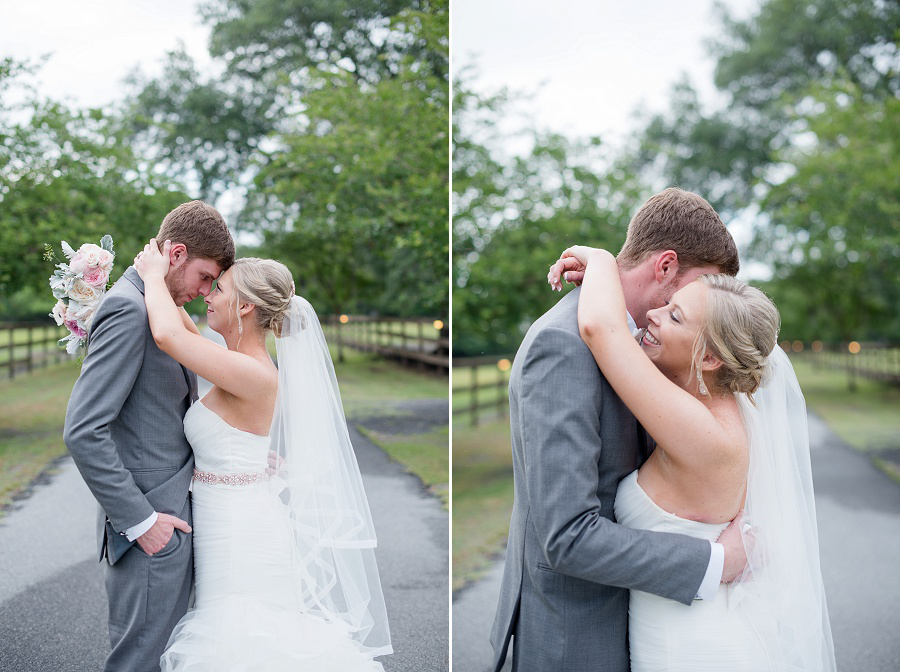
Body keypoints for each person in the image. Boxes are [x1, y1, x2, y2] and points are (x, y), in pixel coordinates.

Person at [490, 188, 747, 672]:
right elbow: (566, 535)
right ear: (666, 266)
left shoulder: (652, 346)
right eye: (702, 287)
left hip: (654, 628)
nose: (709, 305)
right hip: (581, 635)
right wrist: (714, 563)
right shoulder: (562, 345)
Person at [547, 244, 835, 670]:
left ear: (711, 357)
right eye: (667, 305)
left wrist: (604, 259)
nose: (653, 316)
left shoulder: (703, 431)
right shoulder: (713, 409)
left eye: (675, 316)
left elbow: (598, 326)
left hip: (696, 652)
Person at [132, 240, 391, 670]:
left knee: (241, 644)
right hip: (227, 522)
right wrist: (164, 276)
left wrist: (153, 276)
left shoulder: (253, 374)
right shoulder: (235, 361)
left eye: (219, 288)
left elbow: (168, 335)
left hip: (241, 536)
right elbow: (186, 331)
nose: (207, 295)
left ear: (246, 306)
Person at [64, 201, 234, 672]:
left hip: (172, 516)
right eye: (205, 277)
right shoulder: (127, 308)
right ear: (175, 254)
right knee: (139, 662)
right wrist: (141, 522)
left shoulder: (155, 305)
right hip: (151, 526)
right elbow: (83, 429)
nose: (205, 292)